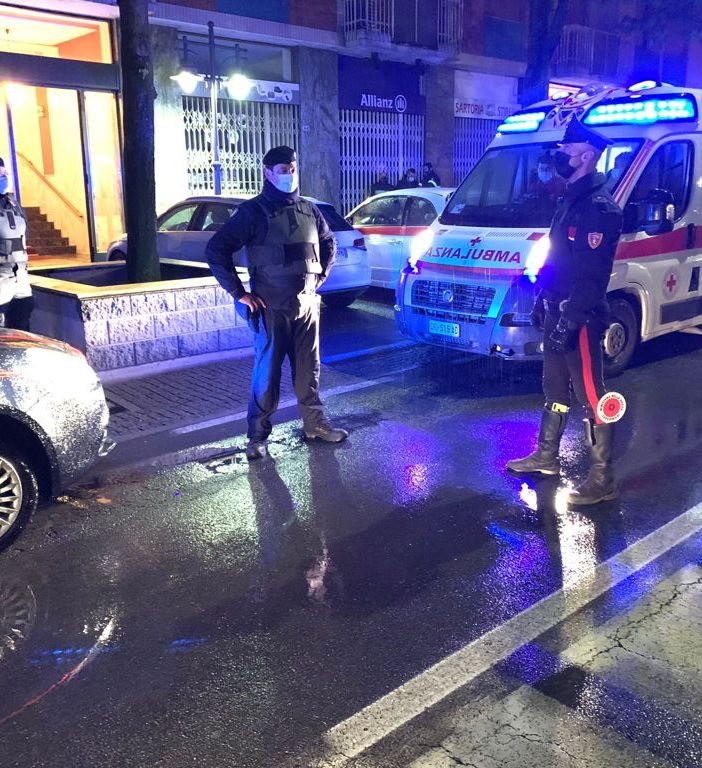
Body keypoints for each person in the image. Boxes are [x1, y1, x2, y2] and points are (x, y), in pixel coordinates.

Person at [506, 118, 624, 506]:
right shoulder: (569, 199)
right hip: (557, 309)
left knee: (592, 394)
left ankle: (602, 478)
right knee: (555, 388)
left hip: (581, 317)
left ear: (587, 156)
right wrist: (542, 298)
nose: (559, 157)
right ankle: (546, 456)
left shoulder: (600, 209)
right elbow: (557, 258)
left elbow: (592, 275)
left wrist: (571, 319)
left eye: (568, 151)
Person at [206, 145, 348, 460]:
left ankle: (315, 426)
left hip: (306, 307)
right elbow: (216, 249)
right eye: (283, 170)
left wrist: (320, 277)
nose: (290, 175)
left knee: (309, 372)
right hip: (270, 308)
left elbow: (328, 242)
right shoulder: (253, 212)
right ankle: (257, 437)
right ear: (268, 173)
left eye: (293, 169)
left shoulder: (309, 209)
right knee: (267, 375)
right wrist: (239, 293)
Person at [0, 159, 32, 332]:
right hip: (1, 279)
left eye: (4, 173)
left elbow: (24, 237)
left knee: (22, 327)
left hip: (21, 279)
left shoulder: (14, 205)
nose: (3, 177)